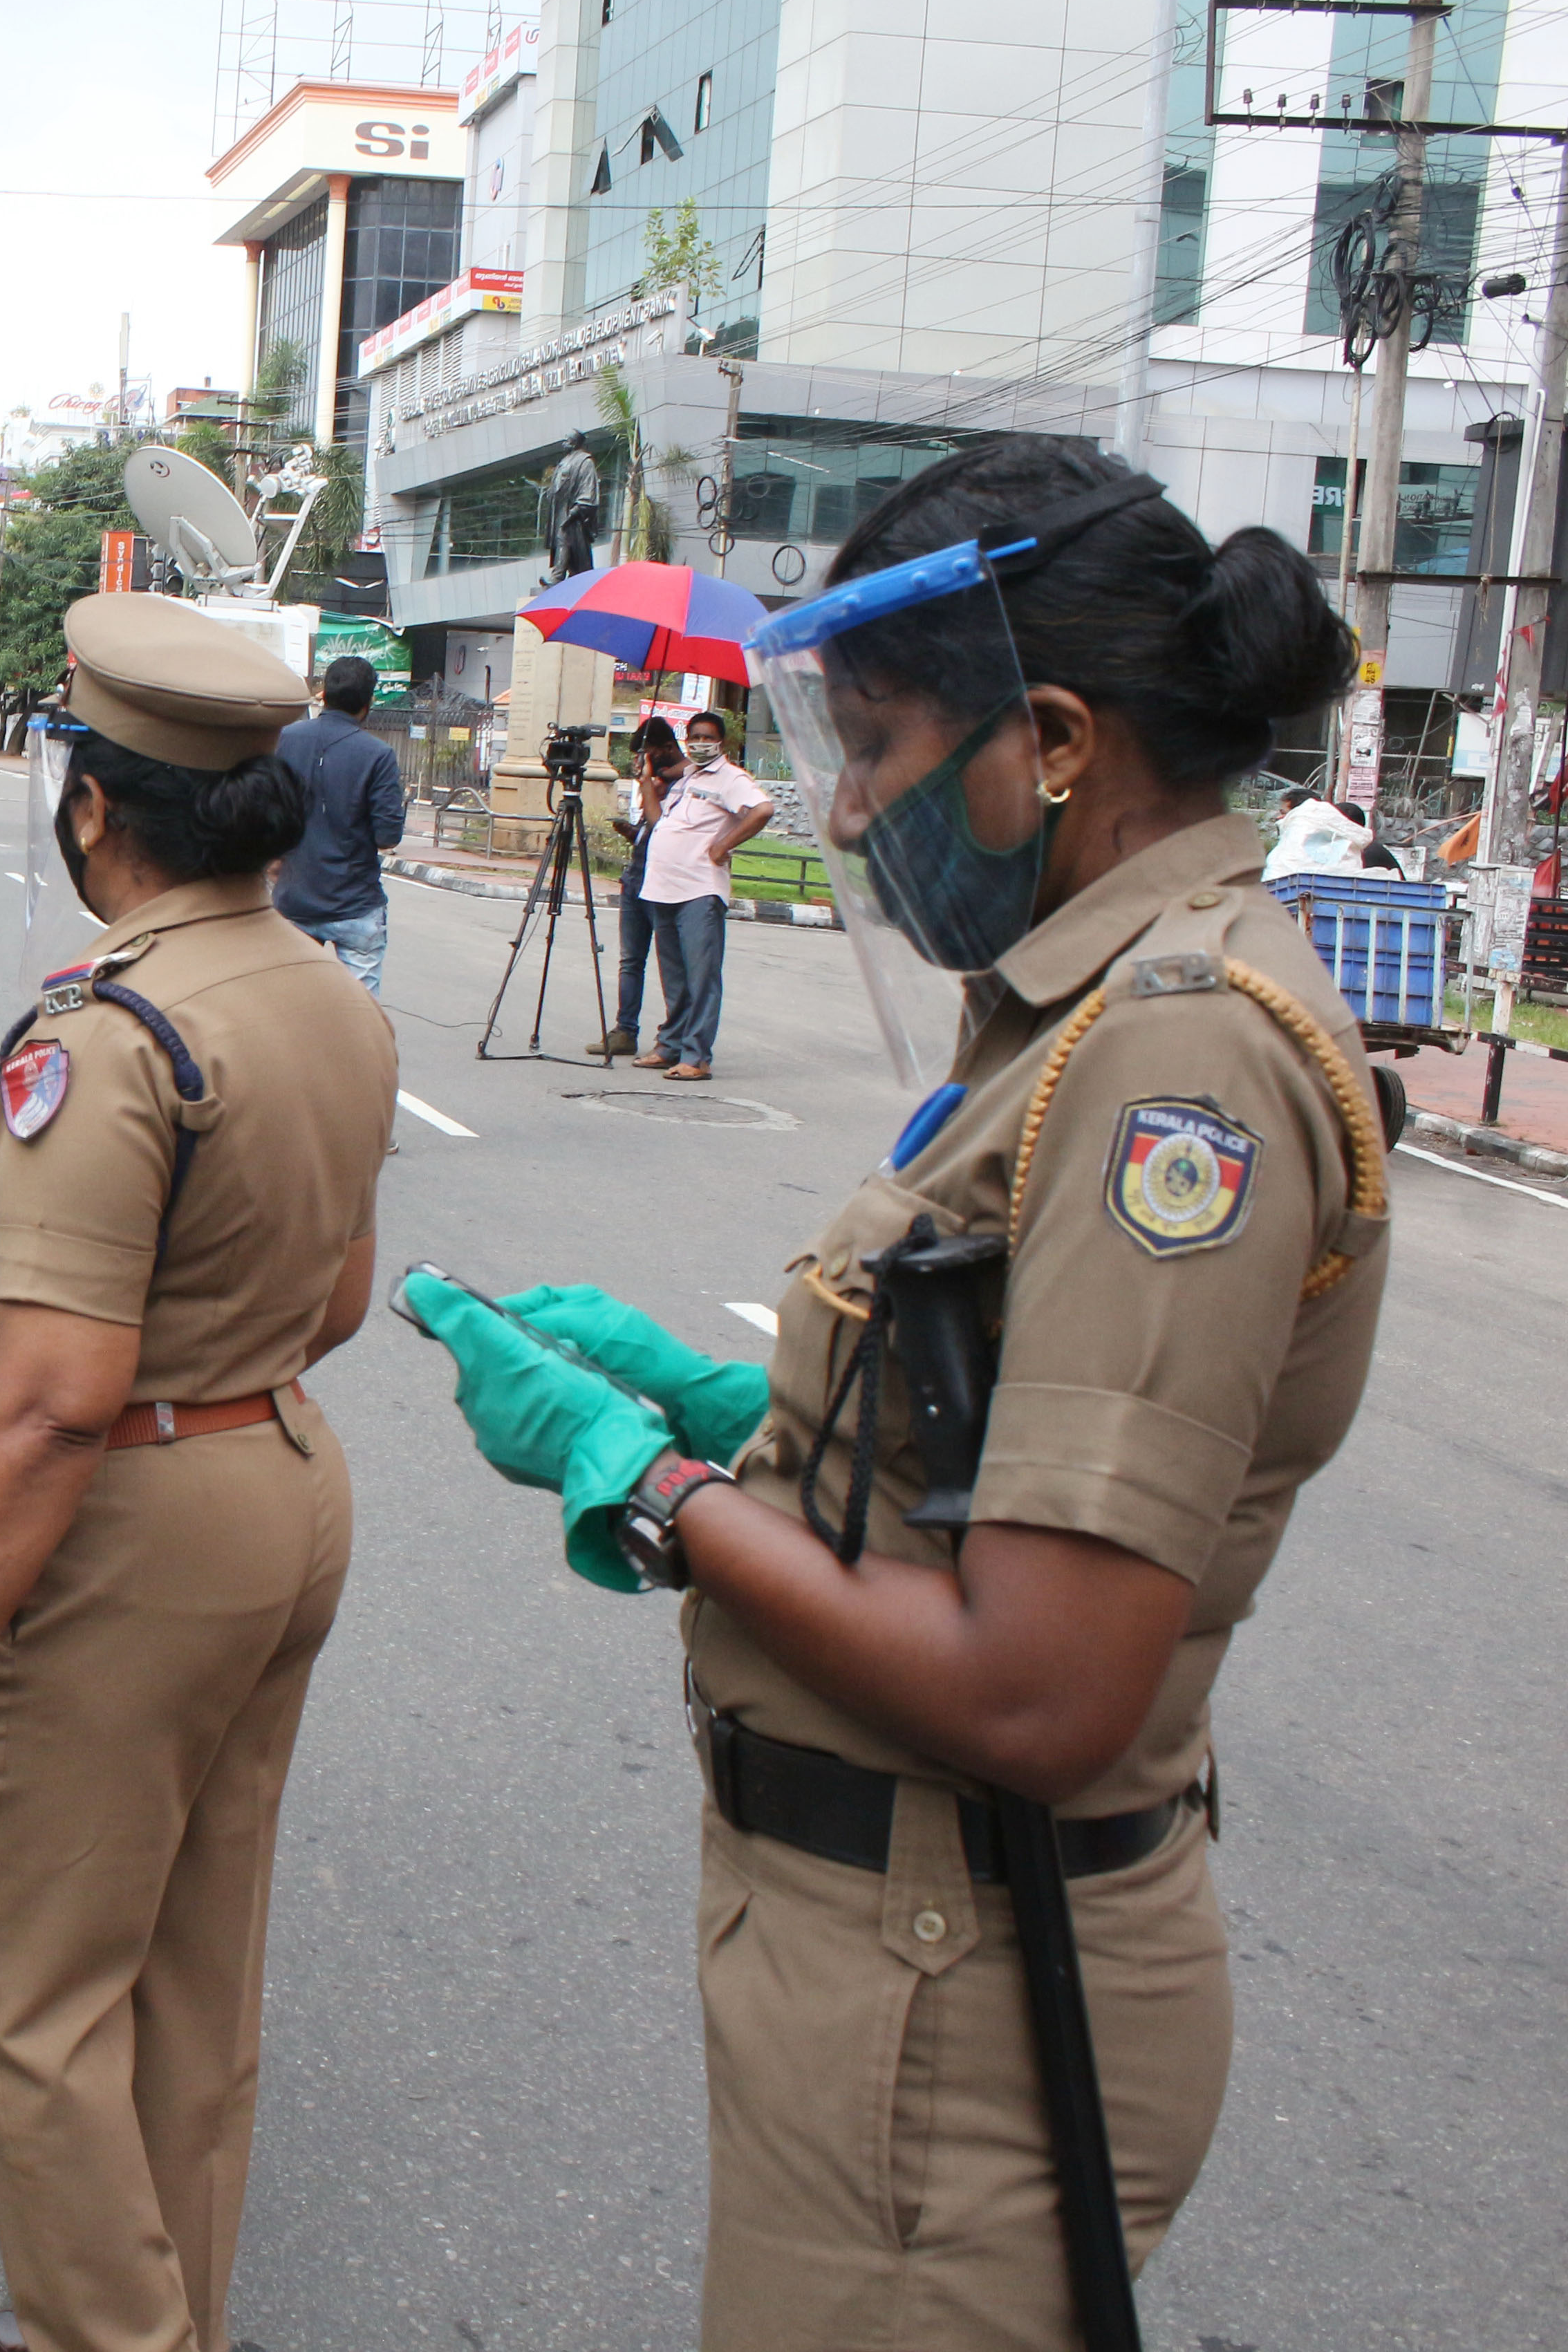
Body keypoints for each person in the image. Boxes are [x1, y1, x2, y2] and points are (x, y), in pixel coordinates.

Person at [408, 437, 1381, 2348]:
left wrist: (654, 1492)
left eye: (872, 746)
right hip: (897, 1959)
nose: (842, 815)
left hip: (960, 1988)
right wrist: (739, 1415)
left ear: (1056, 741)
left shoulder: (1173, 1062)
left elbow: (1040, 1684)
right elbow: (979, 1438)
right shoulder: (1092, 1007)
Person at [0, 592, 398, 2352]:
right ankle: (169, 2311)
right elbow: (336, 1295)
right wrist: (211, 1396)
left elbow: (48, 1402)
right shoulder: (325, 1001)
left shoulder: (108, 1035)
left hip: (125, 1518)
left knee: (16, 1982)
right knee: (192, 1968)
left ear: (94, 805)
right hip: (277, 1473)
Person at [639, 707, 775, 1080]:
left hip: (699, 888)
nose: (700, 744)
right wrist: (647, 785)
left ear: (722, 742)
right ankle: (670, 1046)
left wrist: (722, 845)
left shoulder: (731, 778)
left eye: (707, 738)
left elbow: (762, 810)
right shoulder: (686, 778)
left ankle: (696, 1056)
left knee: (701, 976)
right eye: (694, 737)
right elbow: (658, 823)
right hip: (663, 887)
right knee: (675, 976)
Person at [268, 651, 408, 997]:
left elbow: (266, 811)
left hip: (294, 901)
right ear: (368, 703)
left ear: (324, 695)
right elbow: (387, 835)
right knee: (361, 1017)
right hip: (355, 903)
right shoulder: (377, 755)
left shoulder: (284, 740)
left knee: (290, 1010)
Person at [590, 718, 683, 1057]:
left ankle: (675, 1037)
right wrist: (634, 832)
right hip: (636, 880)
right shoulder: (657, 782)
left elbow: (670, 832)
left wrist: (650, 785)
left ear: (666, 749)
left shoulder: (687, 783)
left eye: (646, 754)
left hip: (666, 887)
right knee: (631, 961)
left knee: (671, 964)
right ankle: (625, 1030)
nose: (640, 763)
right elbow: (652, 832)